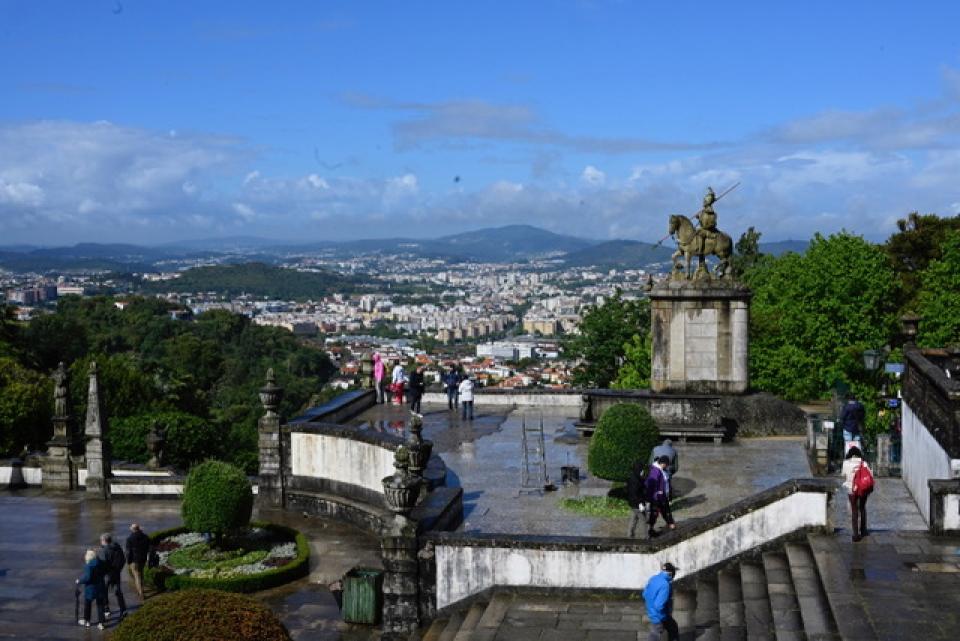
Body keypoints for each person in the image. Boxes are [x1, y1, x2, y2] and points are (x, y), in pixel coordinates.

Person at [842, 446, 872, 541]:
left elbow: (843, 475)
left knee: (854, 510)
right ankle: (863, 530)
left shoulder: (846, 463)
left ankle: (855, 534)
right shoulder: (864, 463)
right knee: (862, 508)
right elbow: (870, 476)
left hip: (851, 489)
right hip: (863, 488)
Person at [643, 562, 679, 641]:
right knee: (655, 634)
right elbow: (659, 605)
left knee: (673, 628)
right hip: (659, 616)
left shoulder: (653, 578)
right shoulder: (665, 585)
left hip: (651, 611)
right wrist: (662, 617)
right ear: (671, 573)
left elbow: (644, 594)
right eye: (674, 573)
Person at [645, 456, 676, 538]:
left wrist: (668, 495)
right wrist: (655, 495)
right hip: (657, 497)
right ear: (663, 463)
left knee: (666, 510)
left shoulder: (662, 470)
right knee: (655, 513)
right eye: (666, 464)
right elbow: (651, 485)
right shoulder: (655, 471)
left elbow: (666, 483)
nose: (667, 466)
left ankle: (671, 524)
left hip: (662, 496)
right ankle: (650, 530)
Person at [97, 533, 126, 620]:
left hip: (107, 575)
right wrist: (118, 569)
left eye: (101, 540)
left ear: (104, 541)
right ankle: (123, 610)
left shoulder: (104, 551)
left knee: (104, 592)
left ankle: (106, 609)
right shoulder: (118, 548)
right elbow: (123, 560)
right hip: (116, 573)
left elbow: (102, 565)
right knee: (118, 592)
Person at [76, 549, 106, 629]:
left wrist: (79, 580)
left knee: (88, 605)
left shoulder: (89, 566)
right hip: (100, 586)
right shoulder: (101, 563)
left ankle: (87, 621)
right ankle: (101, 623)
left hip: (91, 588)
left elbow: (87, 577)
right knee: (100, 605)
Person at [125, 523, 151, 601]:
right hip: (143, 559)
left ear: (133, 529)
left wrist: (128, 561)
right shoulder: (145, 537)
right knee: (141, 574)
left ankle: (141, 593)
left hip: (134, 560)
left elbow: (128, 552)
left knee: (137, 576)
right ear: (138, 528)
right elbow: (148, 548)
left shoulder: (129, 538)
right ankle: (142, 589)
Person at [626, 459, 648, 538]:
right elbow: (635, 493)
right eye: (642, 469)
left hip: (633, 503)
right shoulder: (635, 480)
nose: (643, 471)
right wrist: (640, 504)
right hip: (637, 503)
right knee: (643, 520)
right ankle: (645, 536)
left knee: (633, 519)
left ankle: (630, 534)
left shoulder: (634, 477)